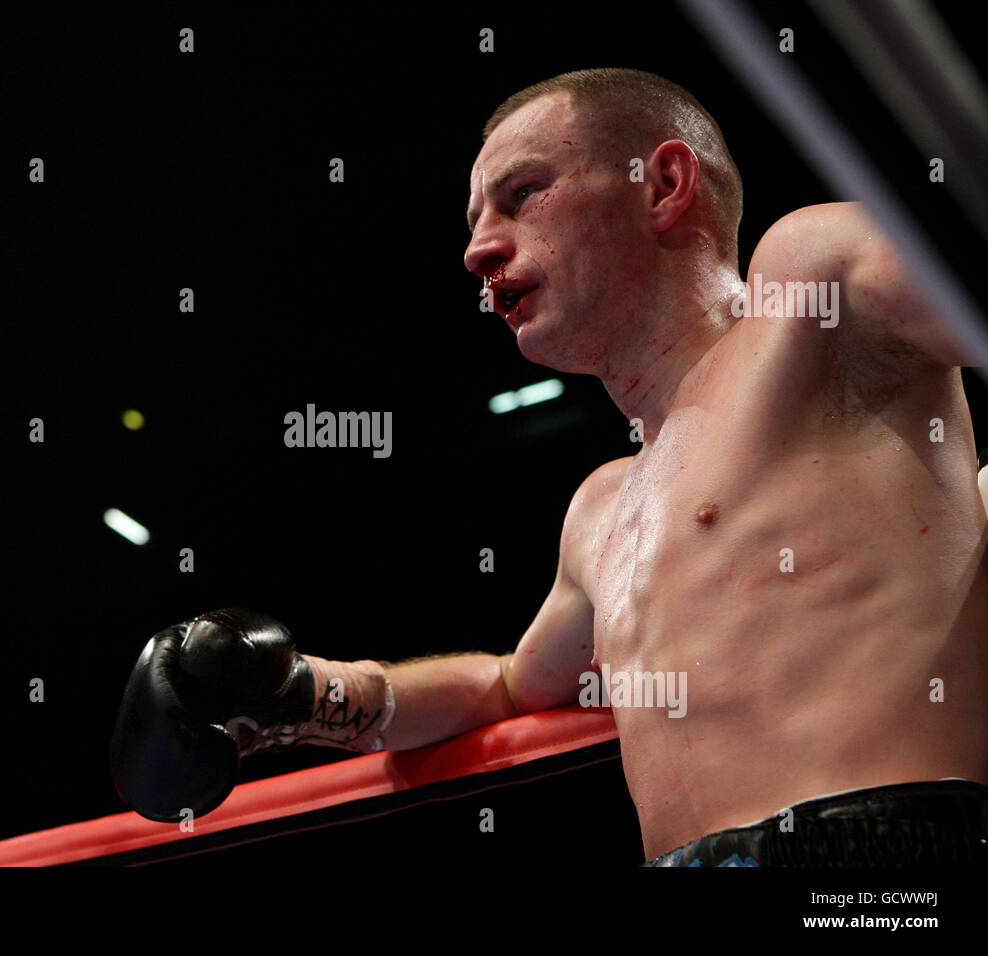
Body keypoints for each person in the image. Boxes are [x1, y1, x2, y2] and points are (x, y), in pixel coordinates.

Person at [113, 68, 988, 866]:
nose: (478, 251)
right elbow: (507, 688)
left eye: (523, 194)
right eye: (474, 222)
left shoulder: (808, 287)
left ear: (665, 185)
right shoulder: (604, 512)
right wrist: (296, 693)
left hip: (882, 857)